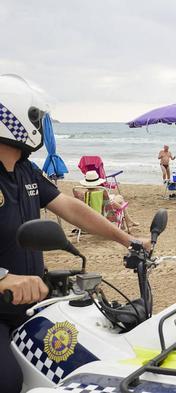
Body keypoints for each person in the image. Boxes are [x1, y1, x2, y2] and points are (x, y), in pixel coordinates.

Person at [0, 75, 148, 393]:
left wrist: (127, 239)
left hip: (35, 302)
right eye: (36, 118)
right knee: (7, 380)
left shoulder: (25, 171)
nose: (40, 126)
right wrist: (3, 278)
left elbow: (69, 206)